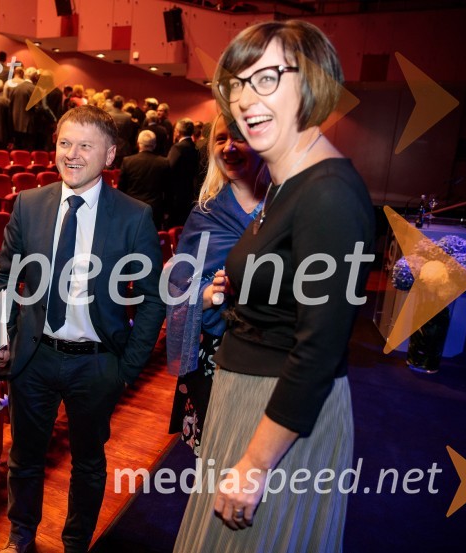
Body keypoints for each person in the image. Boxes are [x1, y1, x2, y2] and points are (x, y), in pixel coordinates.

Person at [173, 20, 375, 552]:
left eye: (266, 78)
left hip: (278, 418)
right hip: (246, 398)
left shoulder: (328, 192)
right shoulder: (285, 182)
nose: (244, 99)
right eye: (236, 84)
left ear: (311, 82)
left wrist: (256, 463)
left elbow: (321, 347)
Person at [0, 105, 166, 553]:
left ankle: (76, 543)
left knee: (88, 463)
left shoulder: (134, 216)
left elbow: (152, 297)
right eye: (65, 143)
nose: (72, 154)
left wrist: (127, 368)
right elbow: (4, 279)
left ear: (109, 154)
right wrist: (0, 339)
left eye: (85, 145)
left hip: (98, 362)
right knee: (24, 460)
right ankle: (20, 537)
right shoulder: (29, 204)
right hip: (35, 357)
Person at [165, 113, 265, 455]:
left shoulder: (289, 209)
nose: (229, 146)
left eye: (240, 137)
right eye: (221, 139)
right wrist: (210, 293)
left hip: (274, 355)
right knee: (217, 463)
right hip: (217, 359)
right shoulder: (205, 213)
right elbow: (178, 290)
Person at [116, 129, 172, 230]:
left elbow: (121, 189)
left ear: (138, 144)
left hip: (132, 208)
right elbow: (168, 190)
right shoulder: (163, 163)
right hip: (154, 210)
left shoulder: (128, 161)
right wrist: (166, 211)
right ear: (154, 145)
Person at [166, 118, 200, 228]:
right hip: (192, 192)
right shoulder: (196, 147)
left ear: (178, 132)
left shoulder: (177, 148)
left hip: (177, 194)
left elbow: (169, 168)